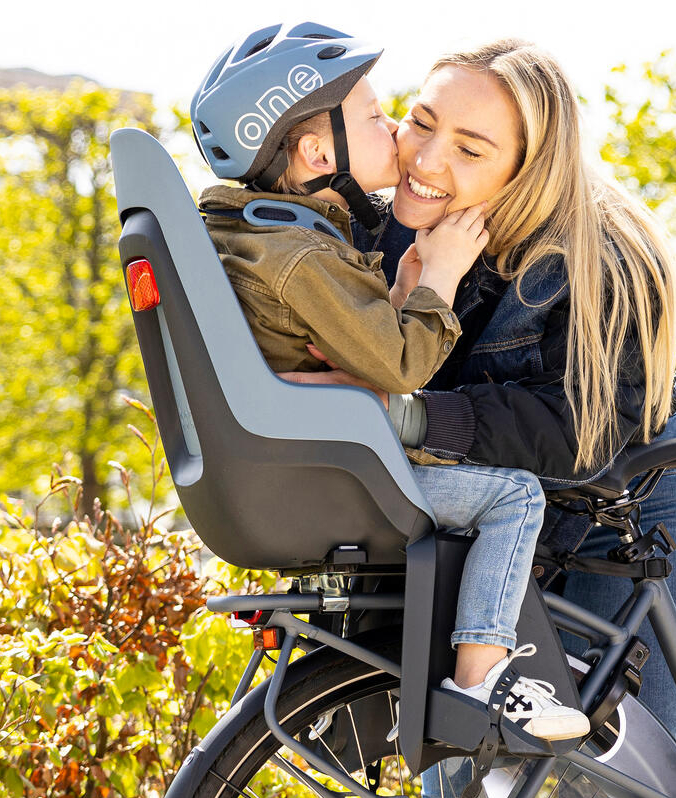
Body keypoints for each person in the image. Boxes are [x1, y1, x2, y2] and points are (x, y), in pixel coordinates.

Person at [308, 37, 676, 756]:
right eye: (421, 121)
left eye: (471, 150)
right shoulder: (372, 229)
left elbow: (578, 428)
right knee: (462, 756)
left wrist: (406, 416)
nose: (428, 160)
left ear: (526, 172)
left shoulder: (601, 261)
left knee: (606, 767)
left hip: (625, 503)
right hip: (490, 509)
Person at [191, 22, 590, 741]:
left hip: (303, 465)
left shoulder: (255, 230)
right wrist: (437, 279)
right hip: (336, 472)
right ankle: (481, 682)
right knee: (512, 497)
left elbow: (372, 351)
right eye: (385, 117)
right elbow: (403, 370)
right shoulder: (303, 254)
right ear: (317, 152)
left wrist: (402, 298)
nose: (401, 137)